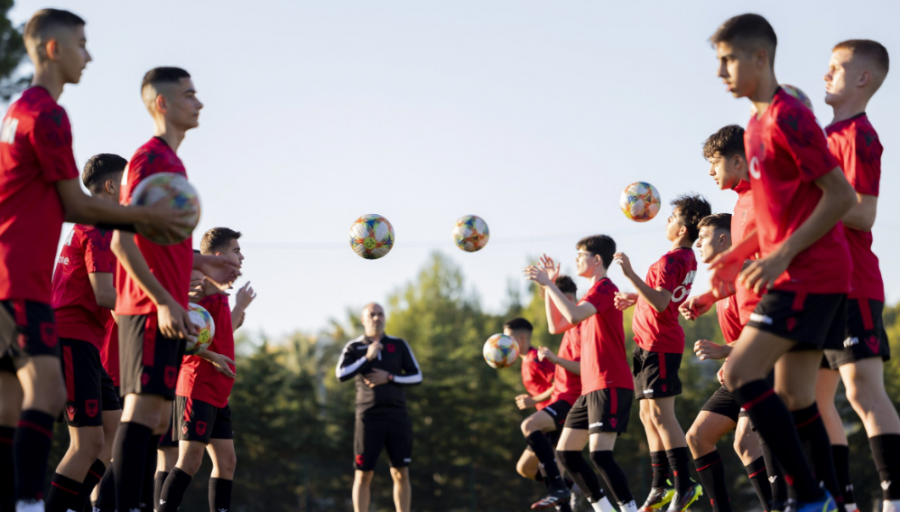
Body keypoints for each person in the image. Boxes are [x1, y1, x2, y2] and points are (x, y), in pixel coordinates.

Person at [0, 11, 189, 511]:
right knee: (43, 393)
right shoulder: (49, 115)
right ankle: (28, 502)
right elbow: (76, 204)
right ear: (53, 50)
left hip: (12, 277)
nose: (90, 55)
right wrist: (145, 218)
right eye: (82, 44)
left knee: (11, 406)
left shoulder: (17, 110)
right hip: (22, 282)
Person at [709, 13, 858, 512]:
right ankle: (828, 498)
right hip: (797, 272)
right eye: (717, 61)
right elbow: (777, 215)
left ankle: (807, 495)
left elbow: (840, 196)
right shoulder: (754, 124)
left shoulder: (789, 115)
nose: (720, 71)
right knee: (794, 397)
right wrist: (736, 254)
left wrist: (782, 257)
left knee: (740, 373)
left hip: (811, 274)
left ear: (760, 57)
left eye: (728, 60)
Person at [110, 66, 237, 512]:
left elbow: (158, 241)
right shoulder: (149, 160)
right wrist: (165, 301)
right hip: (147, 309)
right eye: (189, 94)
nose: (199, 102)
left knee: (157, 418)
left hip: (163, 309)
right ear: (162, 103)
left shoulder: (174, 163)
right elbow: (121, 241)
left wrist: (202, 261)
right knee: (142, 415)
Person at [681, 124, 787, 512]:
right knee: (701, 436)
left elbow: (765, 283)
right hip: (743, 359)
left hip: (772, 342)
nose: (711, 172)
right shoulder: (742, 206)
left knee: (770, 432)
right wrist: (708, 298)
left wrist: (730, 352)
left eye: (714, 163)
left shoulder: (761, 197)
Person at [815, 39, 900, 512]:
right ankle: (841, 502)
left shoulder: (859, 137)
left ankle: (893, 500)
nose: (825, 75)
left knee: (862, 390)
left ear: (862, 79)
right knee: (811, 398)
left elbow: (864, 215)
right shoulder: (824, 137)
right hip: (820, 287)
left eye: (836, 68)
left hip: (853, 283)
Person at [524, 235, 636, 512]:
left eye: (581, 255)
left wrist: (549, 283)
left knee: (600, 455)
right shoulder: (590, 294)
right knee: (566, 453)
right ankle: (604, 509)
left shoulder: (605, 287)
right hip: (590, 389)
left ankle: (629, 509)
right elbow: (557, 326)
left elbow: (572, 316)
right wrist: (549, 287)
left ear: (596, 260)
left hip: (610, 383)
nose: (576, 259)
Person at [613, 195, 711, 511]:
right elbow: (659, 298)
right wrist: (635, 297)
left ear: (683, 229)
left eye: (672, 217)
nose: (667, 221)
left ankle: (684, 485)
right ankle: (660, 486)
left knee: (662, 416)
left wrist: (630, 274)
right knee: (647, 415)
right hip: (647, 344)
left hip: (660, 344)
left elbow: (662, 301)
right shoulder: (679, 258)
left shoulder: (673, 260)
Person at [43, 155, 127, 512]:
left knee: (112, 435)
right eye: (129, 183)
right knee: (87, 443)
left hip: (87, 343)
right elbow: (104, 294)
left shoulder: (103, 227)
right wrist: (152, 314)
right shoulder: (95, 227)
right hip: (70, 339)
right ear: (110, 186)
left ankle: (73, 506)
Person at [680, 213, 772, 512]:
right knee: (698, 437)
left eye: (703, 239)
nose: (698, 246)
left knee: (747, 442)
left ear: (723, 239)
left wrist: (724, 350)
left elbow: (765, 330)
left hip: (765, 369)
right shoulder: (723, 282)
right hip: (741, 368)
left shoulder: (748, 275)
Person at [158, 228, 248, 512]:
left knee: (227, 462)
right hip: (197, 384)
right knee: (189, 460)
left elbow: (217, 334)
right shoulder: (197, 281)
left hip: (219, 390)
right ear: (219, 256)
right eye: (236, 251)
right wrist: (212, 358)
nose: (241, 257)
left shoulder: (218, 289)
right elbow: (182, 336)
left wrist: (237, 311)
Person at [336, 303, 422, 512]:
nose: (376, 318)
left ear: (385, 318)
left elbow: (417, 376)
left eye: (380, 314)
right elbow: (340, 374)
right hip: (368, 418)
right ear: (363, 320)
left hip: (397, 416)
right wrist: (368, 357)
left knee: (401, 472)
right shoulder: (354, 347)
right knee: (363, 474)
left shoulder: (399, 345)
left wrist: (390, 377)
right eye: (371, 315)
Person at [503, 317, 571, 512]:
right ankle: (569, 486)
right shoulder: (525, 361)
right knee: (524, 468)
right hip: (545, 419)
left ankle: (564, 488)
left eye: (508, 339)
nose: (503, 344)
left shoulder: (535, 358)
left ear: (521, 338)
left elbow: (559, 383)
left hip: (557, 416)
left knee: (553, 476)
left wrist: (534, 400)